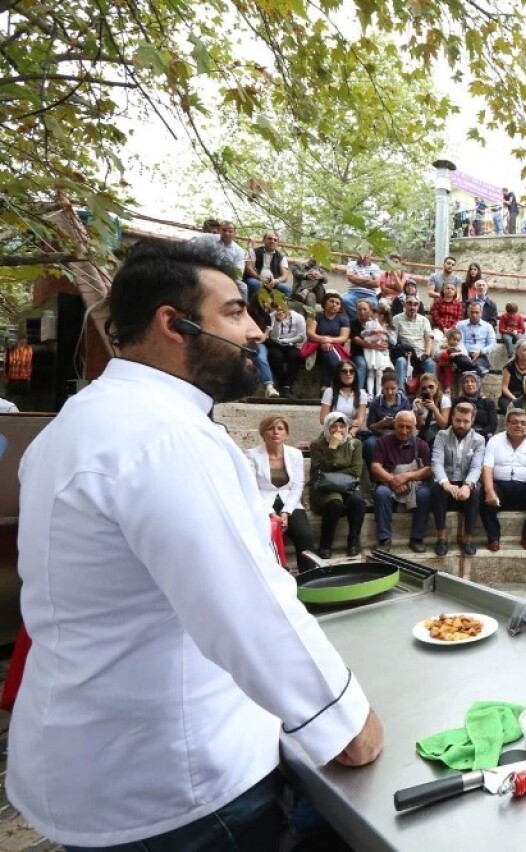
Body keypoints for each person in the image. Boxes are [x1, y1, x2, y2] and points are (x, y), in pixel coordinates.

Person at [13, 241, 382, 850]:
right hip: (179, 786)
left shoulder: (78, 422)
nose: (258, 331)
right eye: (235, 312)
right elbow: (249, 613)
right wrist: (349, 727)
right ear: (172, 323)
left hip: (94, 764)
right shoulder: (167, 438)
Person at [247, 415, 315, 571]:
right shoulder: (252, 455)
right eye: (270, 428)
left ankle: (310, 575)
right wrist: (271, 513)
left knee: (304, 535)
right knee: (264, 535)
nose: (275, 432)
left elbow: (297, 486)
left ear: (287, 434)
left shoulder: (295, 454)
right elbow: (251, 487)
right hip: (262, 502)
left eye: (280, 429)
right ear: (263, 433)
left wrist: (286, 512)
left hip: (289, 501)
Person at [480, 408, 526, 551]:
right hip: (500, 487)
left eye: (523, 423)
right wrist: (489, 490)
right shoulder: (494, 441)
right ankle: (493, 539)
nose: (519, 426)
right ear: (506, 424)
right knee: (482, 494)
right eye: (515, 422)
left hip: (525, 487)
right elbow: (487, 468)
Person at [370, 411, 433, 551]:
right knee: (381, 493)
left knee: (425, 494)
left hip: (414, 485)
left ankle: (417, 537)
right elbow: (375, 467)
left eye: (408, 427)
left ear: (415, 427)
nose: (404, 431)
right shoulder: (383, 442)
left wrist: (406, 477)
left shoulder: (421, 444)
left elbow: (428, 470)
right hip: (389, 483)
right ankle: (384, 539)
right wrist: (393, 480)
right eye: (401, 426)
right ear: (394, 424)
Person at [309, 412, 369, 559]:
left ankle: (353, 540)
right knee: (335, 501)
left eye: (342, 426)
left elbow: (356, 471)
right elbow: (320, 470)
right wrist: (332, 447)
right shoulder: (317, 445)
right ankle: (325, 544)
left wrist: (334, 469)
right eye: (333, 426)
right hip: (325, 486)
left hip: (348, 484)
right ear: (327, 428)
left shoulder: (355, 444)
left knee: (358, 501)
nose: (338, 430)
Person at [429, 402, 486, 556]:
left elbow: (476, 467)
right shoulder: (441, 436)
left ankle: (467, 538)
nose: (461, 425)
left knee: (475, 493)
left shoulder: (479, 440)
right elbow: (436, 462)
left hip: (466, 480)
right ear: (452, 418)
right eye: (458, 420)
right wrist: (446, 483)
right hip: (447, 479)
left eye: (466, 421)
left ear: (472, 421)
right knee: (436, 488)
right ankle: (442, 536)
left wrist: (467, 486)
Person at [362, 372, 413, 462]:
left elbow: (409, 424)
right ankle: (373, 470)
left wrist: (397, 424)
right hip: (379, 434)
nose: (390, 392)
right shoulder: (375, 403)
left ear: (397, 387)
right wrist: (381, 423)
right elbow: (370, 426)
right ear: (382, 388)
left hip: (399, 434)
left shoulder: (404, 402)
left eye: (393, 388)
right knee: (369, 444)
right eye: (386, 389)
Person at [303, 292, 352, 385]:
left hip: (336, 347)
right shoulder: (316, 316)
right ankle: (341, 380)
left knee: (327, 352)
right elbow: (310, 333)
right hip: (316, 346)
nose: (334, 304)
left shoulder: (343, 319)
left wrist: (329, 340)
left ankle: (325, 386)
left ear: (340, 307)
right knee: (327, 349)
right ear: (324, 303)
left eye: (337, 303)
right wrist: (323, 340)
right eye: (331, 301)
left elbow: (343, 338)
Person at [391, 295, 435, 388]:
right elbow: (393, 339)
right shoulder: (396, 318)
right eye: (409, 304)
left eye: (415, 304)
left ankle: (430, 392)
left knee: (430, 363)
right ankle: (400, 392)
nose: (412, 307)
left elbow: (429, 338)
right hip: (404, 354)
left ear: (418, 306)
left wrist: (427, 353)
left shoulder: (424, 320)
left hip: (420, 354)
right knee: (400, 361)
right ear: (404, 305)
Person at [264, 304, 306, 397]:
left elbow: (301, 337)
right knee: (275, 356)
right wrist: (278, 321)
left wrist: (287, 341)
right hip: (276, 344)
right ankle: (284, 385)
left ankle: (287, 386)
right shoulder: (272, 316)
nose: (280, 309)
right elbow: (273, 337)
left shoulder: (298, 317)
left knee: (294, 355)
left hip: (292, 343)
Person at [319, 361, 369, 435]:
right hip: (333, 431)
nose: (348, 374)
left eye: (351, 371)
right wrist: (345, 424)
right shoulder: (329, 392)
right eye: (344, 371)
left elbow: (359, 420)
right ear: (338, 374)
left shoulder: (362, 394)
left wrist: (350, 434)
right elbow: (323, 419)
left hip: (353, 432)